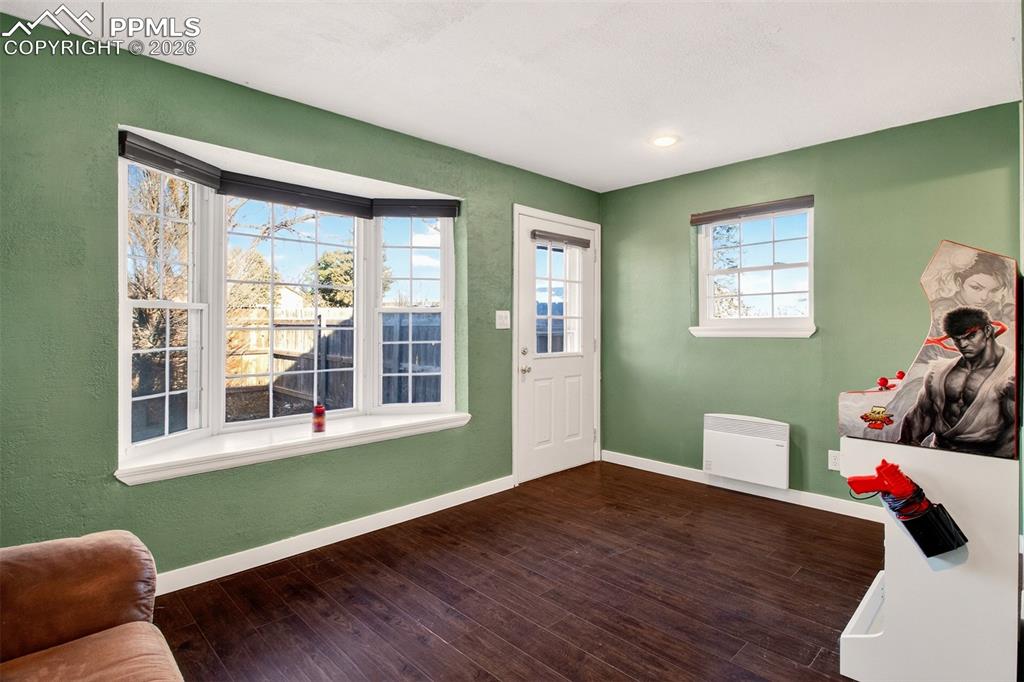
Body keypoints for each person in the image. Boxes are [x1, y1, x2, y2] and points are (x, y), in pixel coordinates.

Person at [898, 307, 1015, 458]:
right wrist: (903, 457)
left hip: (986, 460)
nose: (963, 344)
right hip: (940, 454)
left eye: (970, 336)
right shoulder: (939, 372)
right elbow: (921, 417)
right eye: (957, 339)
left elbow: (1013, 437)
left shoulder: (1010, 374)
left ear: (987, 331)